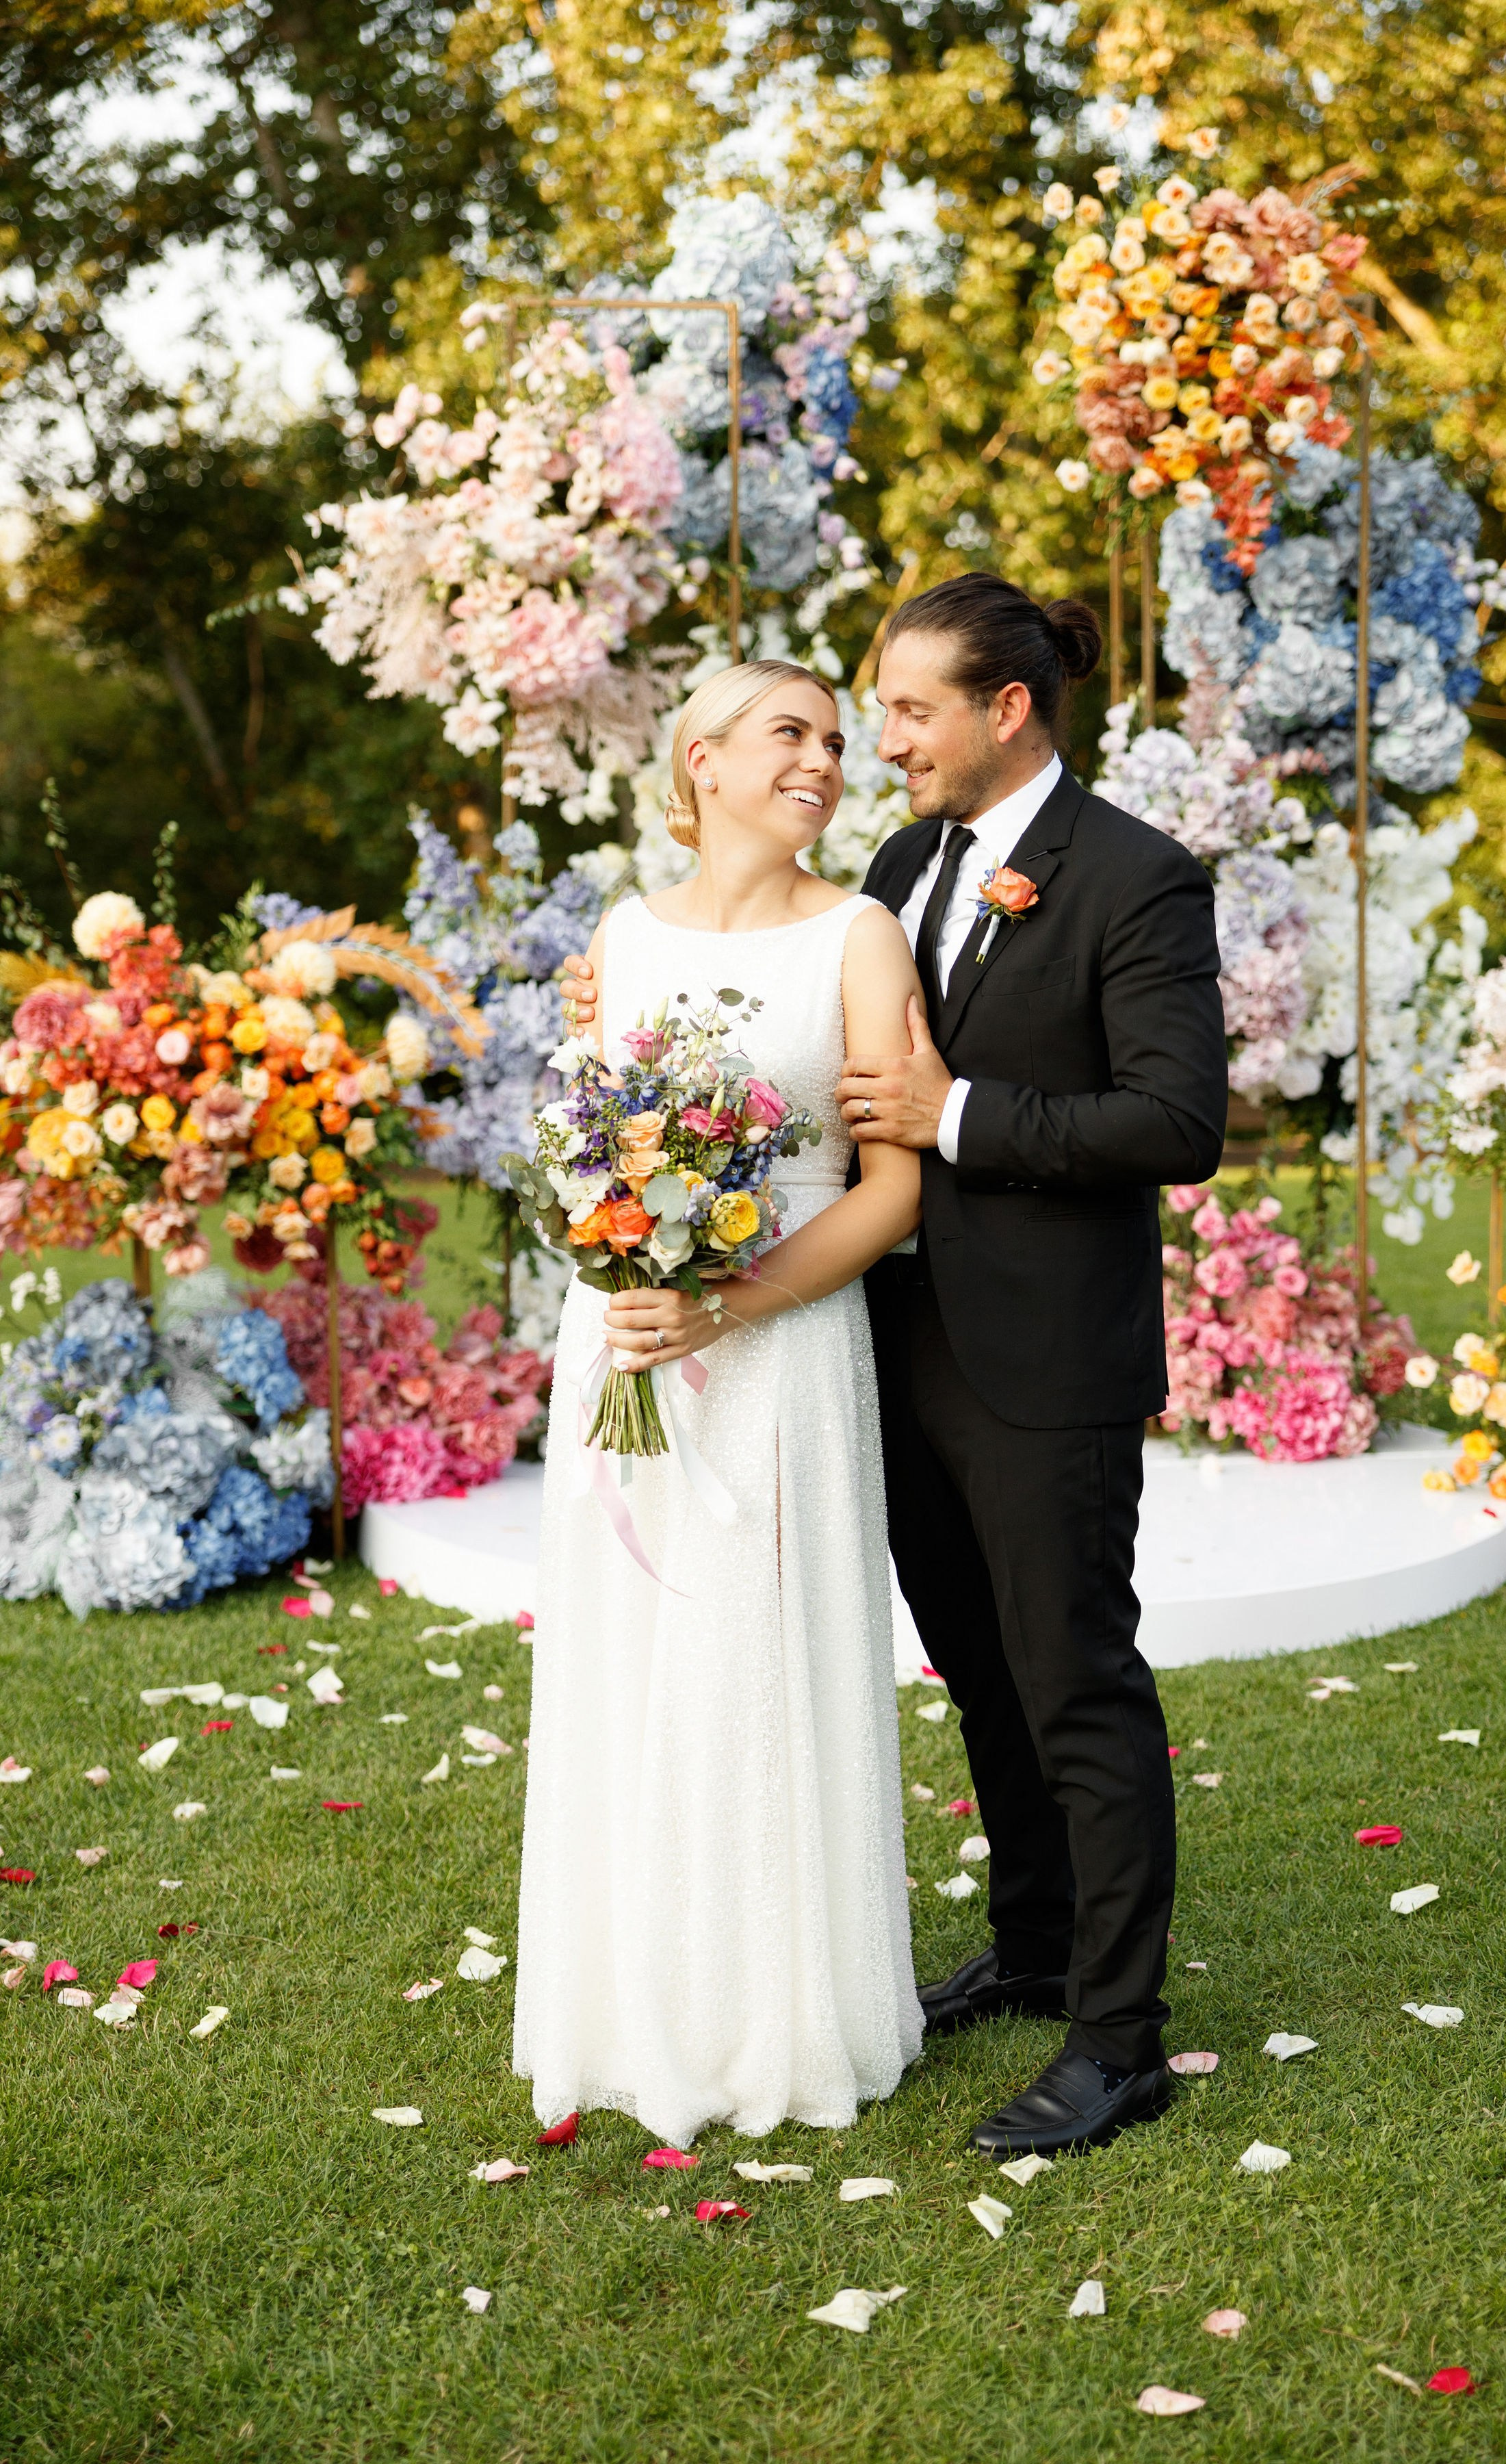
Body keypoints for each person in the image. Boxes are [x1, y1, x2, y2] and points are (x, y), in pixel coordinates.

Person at [838, 574, 1228, 2156]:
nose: (888, 741)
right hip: (898, 1336)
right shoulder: (901, 859)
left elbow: (1176, 1123)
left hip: (1046, 1352)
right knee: (977, 1665)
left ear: (1009, 710)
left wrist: (959, 1119)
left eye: (913, 710)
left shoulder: (1138, 878)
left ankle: (1119, 2040)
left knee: (1076, 1682)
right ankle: (1038, 1936)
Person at [513, 659, 926, 2150]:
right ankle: (631, 2005)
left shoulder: (861, 938)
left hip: (787, 1350)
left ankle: (784, 2012)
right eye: (791, 735)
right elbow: (584, 1139)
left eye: (834, 739)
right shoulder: (619, 937)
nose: (825, 758)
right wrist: (619, 1263)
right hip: (623, 1341)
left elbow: (891, 1193)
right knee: (636, 1661)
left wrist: (728, 1302)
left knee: (763, 1661)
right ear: (699, 759)